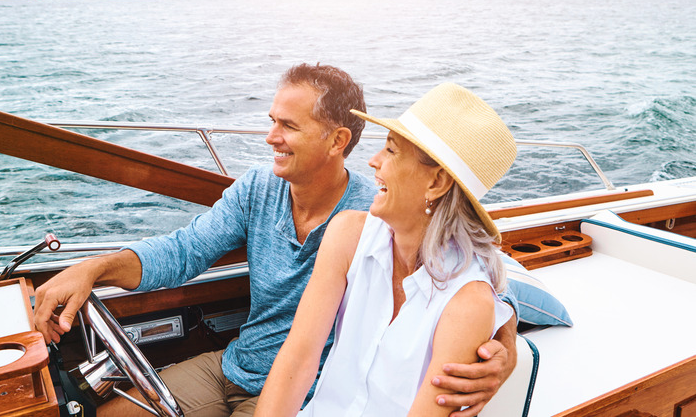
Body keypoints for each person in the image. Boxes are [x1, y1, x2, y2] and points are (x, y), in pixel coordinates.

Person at [33, 64, 517, 417]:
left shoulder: (378, 211)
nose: (270, 137)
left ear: (337, 141)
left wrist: (503, 341)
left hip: (301, 396)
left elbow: (482, 278)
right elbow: (184, 251)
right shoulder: (261, 190)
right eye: (271, 120)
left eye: (288, 126)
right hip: (235, 364)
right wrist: (94, 267)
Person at [255, 82, 517, 417]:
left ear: (436, 183)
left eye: (391, 151)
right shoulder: (347, 234)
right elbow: (299, 358)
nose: (373, 161)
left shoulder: (468, 303)